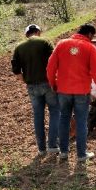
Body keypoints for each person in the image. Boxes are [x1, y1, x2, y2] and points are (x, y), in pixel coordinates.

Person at [47, 24, 96, 162]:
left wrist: (53, 83)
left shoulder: (62, 44)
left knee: (64, 120)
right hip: (81, 92)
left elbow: (50, 66)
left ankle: (63, 152)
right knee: (81, 122)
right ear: (90, 34)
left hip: (63, 91)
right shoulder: (91, 48)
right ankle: (81, 155)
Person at [12, 24, 59, 156]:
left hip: (32, 86)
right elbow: (54, 62)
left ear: (26, 34)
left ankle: (41, 149)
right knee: (55, 112)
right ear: (38, 32)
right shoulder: (45, 42)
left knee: (38, 116)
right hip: (48, 83)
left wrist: (26, 81)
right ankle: (53, 146)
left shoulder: (19, 47)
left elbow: (16, 70)